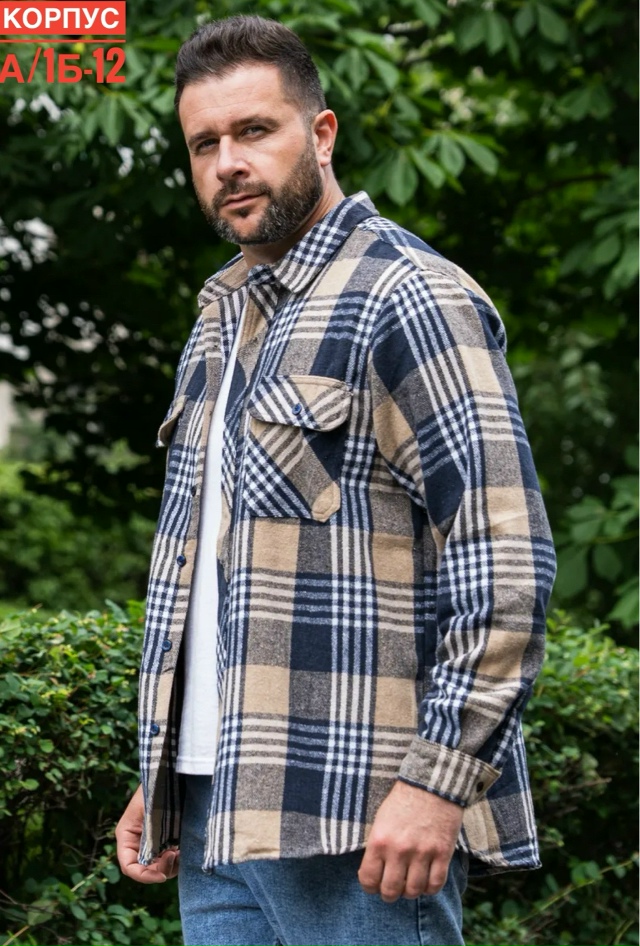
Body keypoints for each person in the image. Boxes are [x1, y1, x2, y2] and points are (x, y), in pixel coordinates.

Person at [116, 14, 556, 946]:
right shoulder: (220, 318)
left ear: (321, 134)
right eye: (205, 143)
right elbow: (217, 574)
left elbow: (505, 561)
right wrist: (164, 765)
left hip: (360, 819)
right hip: (216, 809)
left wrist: (437, 782)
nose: (229, 163)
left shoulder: (409, 295)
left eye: (254, 130)